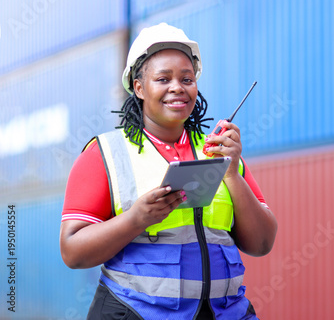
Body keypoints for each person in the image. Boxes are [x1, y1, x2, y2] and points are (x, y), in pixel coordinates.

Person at [60, 23, 278, 320]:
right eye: (163, 78)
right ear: (139, 87)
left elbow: (262, 243)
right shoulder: (105, 154)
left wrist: (231, 175)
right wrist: (136, 219)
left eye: (186, 78)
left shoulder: (222, 151)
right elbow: (72, 252)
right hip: (135, 313)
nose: (177, 87)